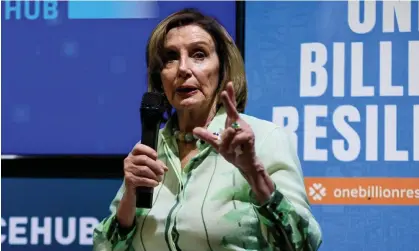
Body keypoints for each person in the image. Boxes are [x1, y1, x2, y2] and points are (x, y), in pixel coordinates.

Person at [93, 8, 322, 251]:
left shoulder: (265, 139)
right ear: (160, 77)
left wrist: (254, 174)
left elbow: (304, 243)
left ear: (222, 69)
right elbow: (104, 247)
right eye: (170, 57)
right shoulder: (150, 148)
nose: (183, 68)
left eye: (198, 54)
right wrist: (129, 195)